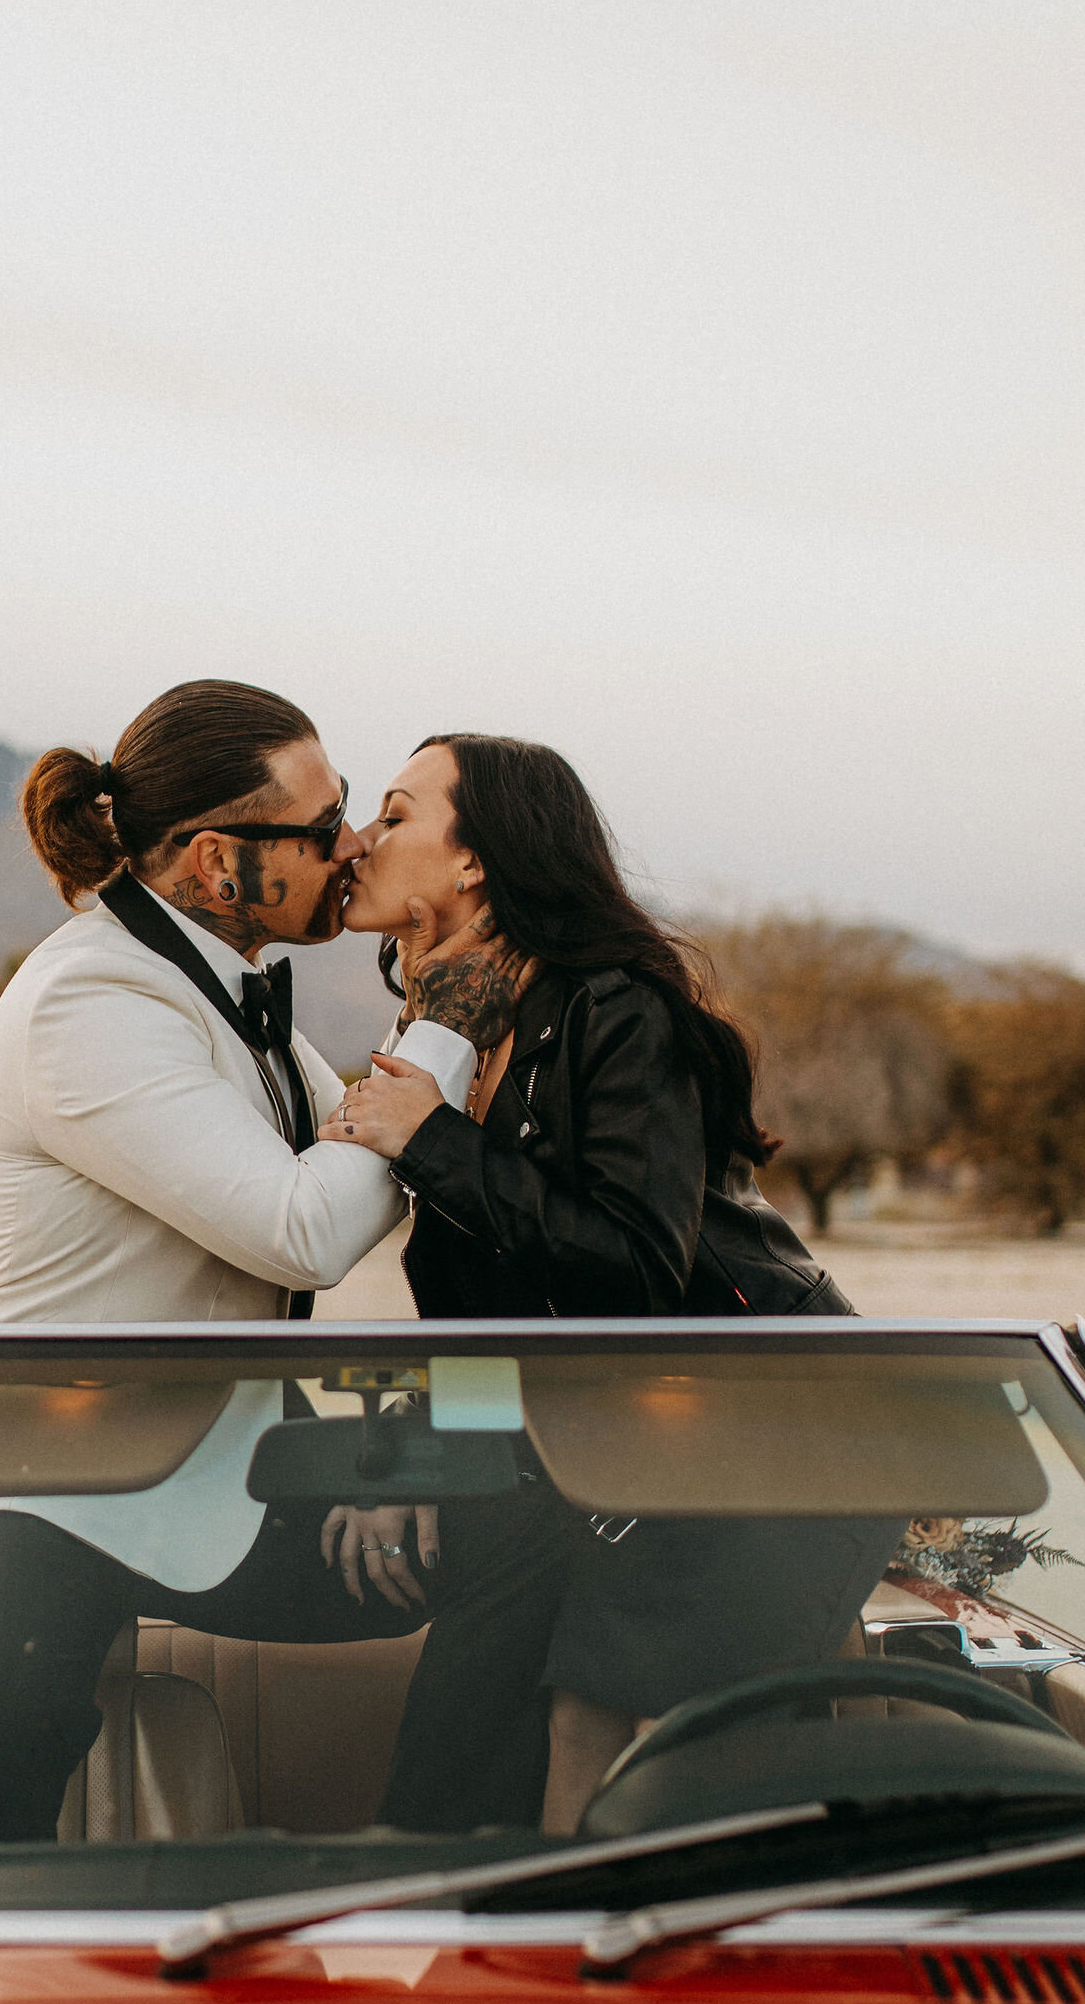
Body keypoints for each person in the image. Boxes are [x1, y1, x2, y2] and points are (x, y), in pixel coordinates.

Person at [0, 680, 568, 1844]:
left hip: (217, 1464)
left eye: (352, 812)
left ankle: (429, 1861)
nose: (350, 846)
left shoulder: (229, 991)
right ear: (218, 861)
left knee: (522, 1524)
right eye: (321, 831)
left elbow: (361, 1141)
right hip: (38, 1481)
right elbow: (303, 1225)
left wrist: (398, 1449)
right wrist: (447, 1021)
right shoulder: (90, 1002)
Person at [322, 734, 898, 1832]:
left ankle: (607, 1978)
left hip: (777, 1428)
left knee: (630, 1755)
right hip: (617, 1435)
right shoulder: (445, 1030)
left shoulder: (613, 1007)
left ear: (473, 861)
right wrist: (401, 1448)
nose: (355, 842)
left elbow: (635, 1271)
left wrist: (434, 1142)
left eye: (393, 815)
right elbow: (471, 1294)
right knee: (504, 1755)